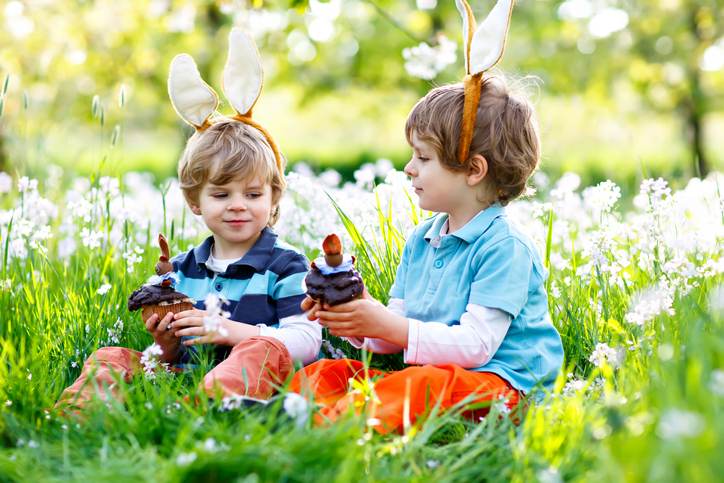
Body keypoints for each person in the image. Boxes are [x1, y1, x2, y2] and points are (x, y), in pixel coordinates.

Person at [56, 29, 320, 411]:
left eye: (253, 194)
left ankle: (207, 412)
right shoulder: (181, 271)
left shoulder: (286, 264)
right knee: (110, 357)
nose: (237, 206)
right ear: (194, 201)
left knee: (260, 350)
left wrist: (230, 331)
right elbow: (171, 357)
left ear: (273, 196)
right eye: (220, 194)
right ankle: (76, 421)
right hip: (185, 378)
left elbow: (306, 341)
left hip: (252, 380)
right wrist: (164, 346)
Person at [289, 75, 564, 434]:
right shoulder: (422, 240)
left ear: (474, 170)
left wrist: (388, 324)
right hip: (437, 379)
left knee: (417, 386)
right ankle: (292, 413)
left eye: (423, 157)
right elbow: (393, 333)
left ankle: (332, 427)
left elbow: (476, 347)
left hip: (503, 389)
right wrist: (356, 314)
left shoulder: (505, 248)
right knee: (330, 372)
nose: (409, 167)